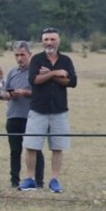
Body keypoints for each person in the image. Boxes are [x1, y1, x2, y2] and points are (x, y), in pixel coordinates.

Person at [22, 27, 78, 193]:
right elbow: (35, 80)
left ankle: (54, 179)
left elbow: (72, 81)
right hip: (38, 110)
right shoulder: (37, 60)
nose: (49, 43)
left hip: (59, 110)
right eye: (46, 39)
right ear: (42, 41)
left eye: (52, 39)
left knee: (57, 147)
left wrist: (50, 74)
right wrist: (57, 74)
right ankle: (30, 179)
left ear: (58, 41)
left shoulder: (66, 60)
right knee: (31, 145)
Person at [2, 41, 45, 189]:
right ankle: (14, 181)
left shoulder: (37, 73)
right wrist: (8, 95)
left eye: (23, 55)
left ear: (29, 55)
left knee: (34, 149)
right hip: (13, 116)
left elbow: (42, 94)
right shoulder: (12, 72)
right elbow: (5, 91)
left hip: (32, 117)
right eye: (17, 55)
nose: (20, 58)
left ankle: (38, 181)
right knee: (15, 151)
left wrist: (25, 92)